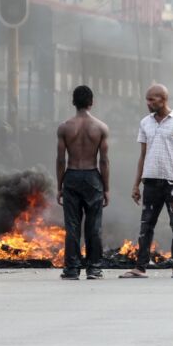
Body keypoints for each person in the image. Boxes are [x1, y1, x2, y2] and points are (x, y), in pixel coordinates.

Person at [119, 84, 173, 279]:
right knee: (146, 224)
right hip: (150, 182)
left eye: (152, 99)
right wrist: (136, 184)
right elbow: (142, 155)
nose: (148, 103)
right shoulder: (145, 123)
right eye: (147, 99)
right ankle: (140, 267)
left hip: (172, 181)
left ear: (163, 99)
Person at [56, 85, 109, 280]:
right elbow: (104, 161)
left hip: (71, 176)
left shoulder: (64, 127)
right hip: (92, 177)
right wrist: (107, 188)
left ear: (73, 102)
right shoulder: (101, 127)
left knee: (72, 226)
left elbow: (61, 160)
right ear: (91, 102)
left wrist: (59, 185)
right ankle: (94, 269)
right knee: (94, 225)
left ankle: (72, 269)